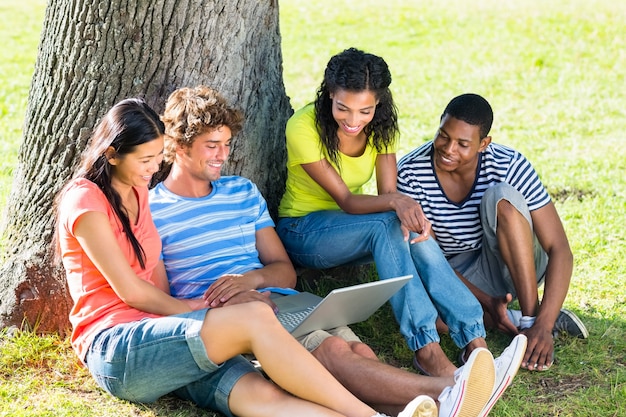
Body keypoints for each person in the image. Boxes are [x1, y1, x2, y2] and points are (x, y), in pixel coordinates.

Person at [149, 85, 526, 417]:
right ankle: (452, 387)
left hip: (287, 299)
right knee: (333, 352)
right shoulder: (152, 212)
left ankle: (436, 405)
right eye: (211, 147)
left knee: (359, 357)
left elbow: (284, 270)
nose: (222, 155)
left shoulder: (242, 192)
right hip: (234, 319)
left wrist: (254, 279)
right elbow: (160, 300)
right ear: (178, 145)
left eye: (227, 144)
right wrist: (229, 300)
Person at [53, 97, 439, 417]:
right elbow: (133, 292)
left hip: (173, 334)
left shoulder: (138, 194)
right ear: (113, 155)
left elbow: (157, 281)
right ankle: (398, 406)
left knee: (264, 396)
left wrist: (225, 302)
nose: (154, 169)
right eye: (146, 160)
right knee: (274, 325)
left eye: (156, 158)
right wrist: (208, 308)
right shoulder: (87, 199)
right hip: (118, 342)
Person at [275, 47, 488, 378]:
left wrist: (402, 207)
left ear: (379, 104)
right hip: (303, 231)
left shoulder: (383, 126)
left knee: (401, 224)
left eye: (365, 111)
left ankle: (474, 339)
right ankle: (427, 349)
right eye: (343, 108)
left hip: (357, 229)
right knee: (390, 220)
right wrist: (399, 204)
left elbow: (388, 194)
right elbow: (346, 199)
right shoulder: (302, 127)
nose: (353, 121)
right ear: (329, 93)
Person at [396, 93, 588, 372]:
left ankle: (531, 321)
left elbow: (560, 248)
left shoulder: (509, 164)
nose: (449, 149)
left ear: (483, 144)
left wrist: (541, 328)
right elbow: (430, 262)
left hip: (517, 262)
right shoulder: (412, 173)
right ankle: (506, 315)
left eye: (463, 144)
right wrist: (485, 300)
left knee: (503, 200)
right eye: (443, 136)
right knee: (434, 320)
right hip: (457, 272)